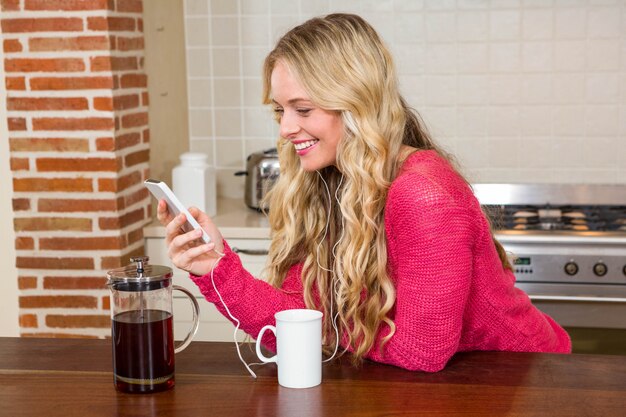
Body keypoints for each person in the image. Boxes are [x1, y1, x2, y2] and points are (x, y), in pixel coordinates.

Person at [158, 13, 571, 373]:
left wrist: (322, 328)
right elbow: (294, 328)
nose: (285, 129)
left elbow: (421, 351)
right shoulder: (331, 182)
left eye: (303, 110)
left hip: (528, 380)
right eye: (279, 111)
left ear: (357, 103)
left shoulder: (425, 194)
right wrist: (215, 267)